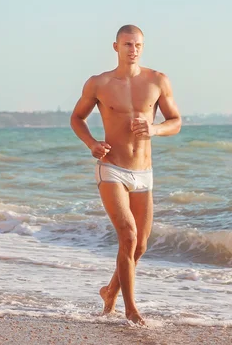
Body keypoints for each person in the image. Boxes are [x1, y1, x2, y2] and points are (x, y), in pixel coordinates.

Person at [70, 24, 182, 325]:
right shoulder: (99, 83)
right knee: (128, 235)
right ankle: (131, 311)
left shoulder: (157, 81)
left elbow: (176, 121)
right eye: (128, 44)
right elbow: (77, 118)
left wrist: (154, 129)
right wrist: (92, 143)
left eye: (138, 45)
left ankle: (109, 291)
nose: (133, 50)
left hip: (144, 172)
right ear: (116, 46)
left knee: (140, 246)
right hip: (112, 168)